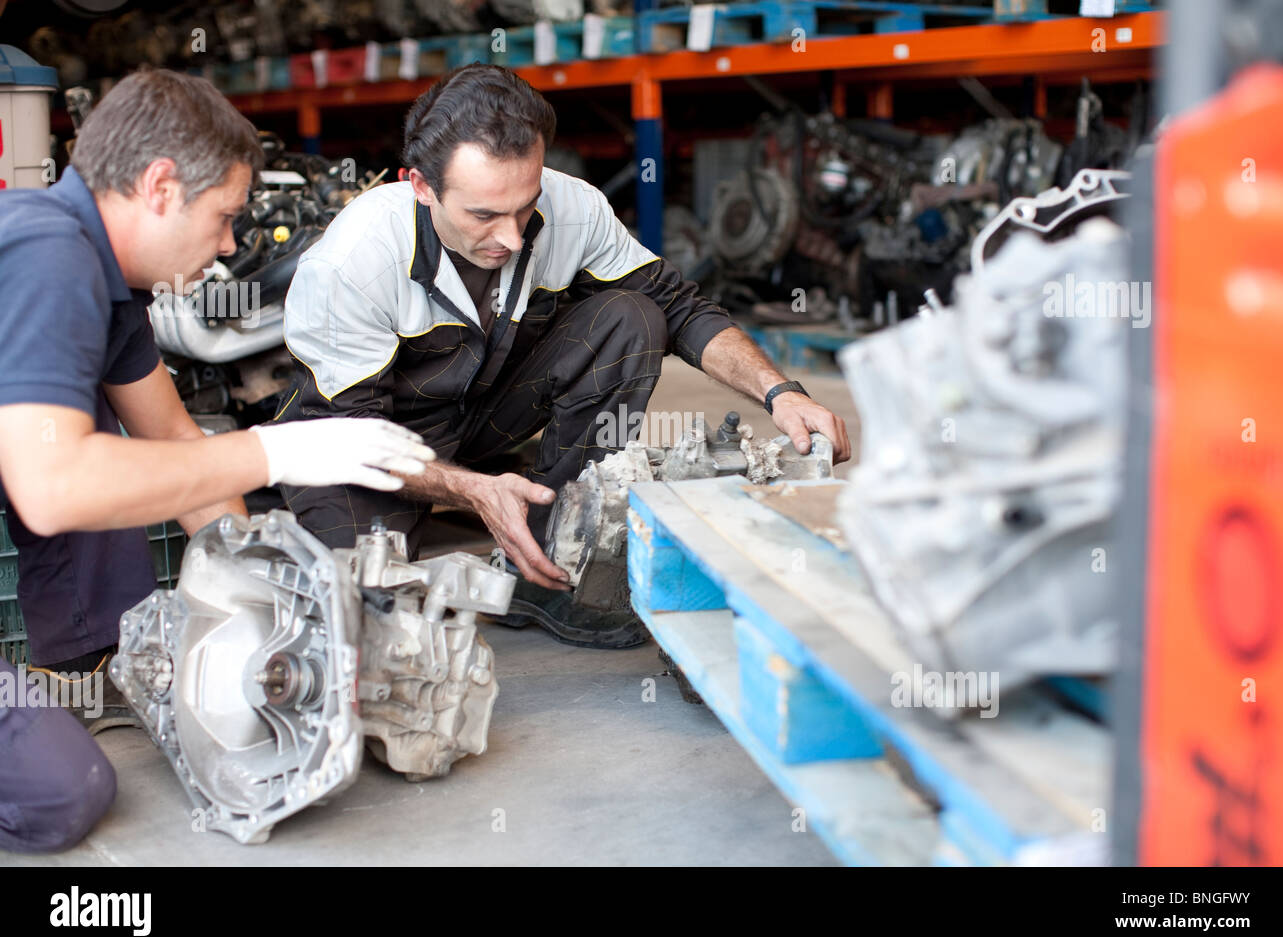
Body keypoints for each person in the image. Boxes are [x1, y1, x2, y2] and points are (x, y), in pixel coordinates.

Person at [0, 69, 433, 854]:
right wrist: (275, 446)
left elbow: (178, 447)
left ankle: (87, 656)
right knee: (64, 794)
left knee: (88, 419)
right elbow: (51, 489)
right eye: (225, 216)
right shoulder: (46, 252)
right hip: (43, 485)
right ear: (161, 185)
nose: (232, 243)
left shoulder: (108, 286)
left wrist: (280, 615)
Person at [275, 63, 852, 647]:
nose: (513, 238)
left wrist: (781, 392)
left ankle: (558, 560)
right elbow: (354, 435)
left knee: (631, 317)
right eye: (483, 215)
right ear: (420, 186)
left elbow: (677, 306)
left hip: (479, 414)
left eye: (524, 205)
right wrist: (475, 491)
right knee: (361, 615)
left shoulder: (574, 207)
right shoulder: (354, 262)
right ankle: (453, 529)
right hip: (359, 442)